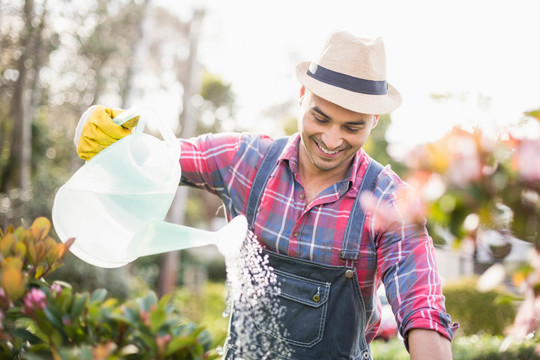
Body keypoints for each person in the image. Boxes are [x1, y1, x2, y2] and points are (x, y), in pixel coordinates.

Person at [75, 31, 458, 359]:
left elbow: (421, 304)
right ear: (303, 94)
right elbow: (163, 157)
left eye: (352, 127)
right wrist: (111, 140)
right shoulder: (247, 161)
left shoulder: (389, 201)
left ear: (374, 120)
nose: (331, 140)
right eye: (320, 117)